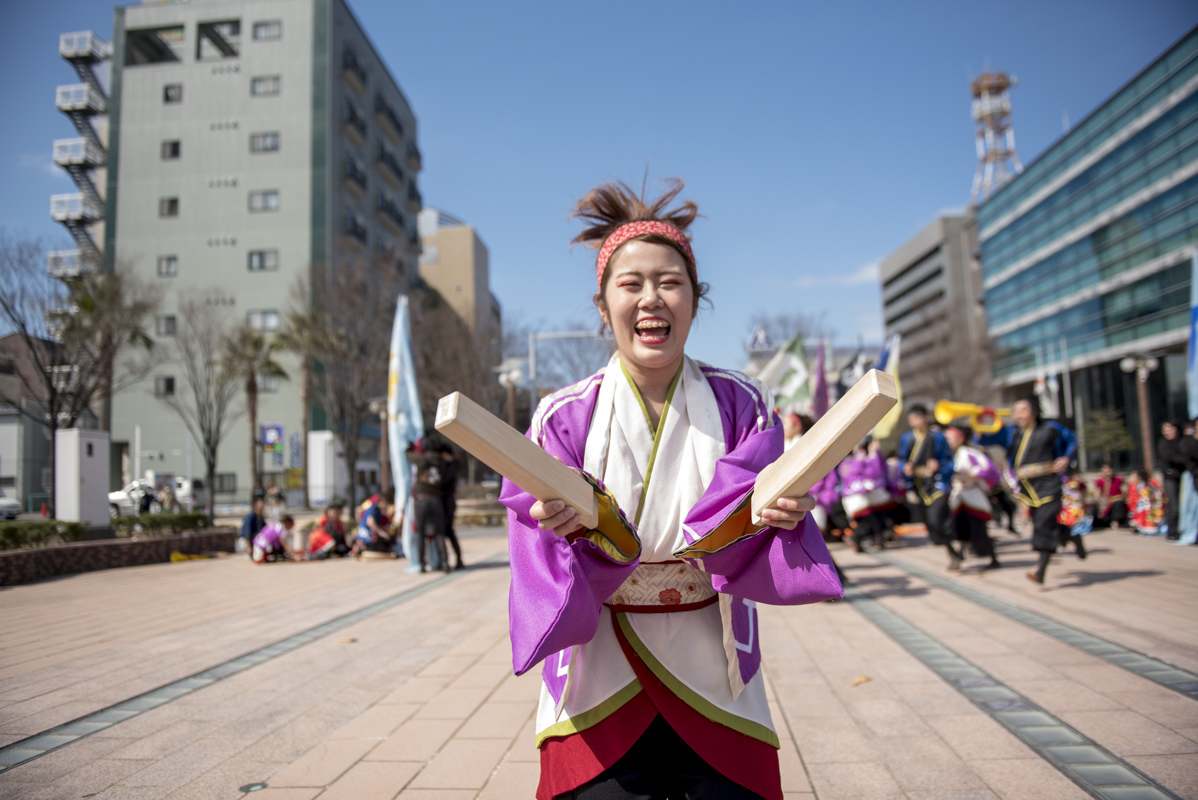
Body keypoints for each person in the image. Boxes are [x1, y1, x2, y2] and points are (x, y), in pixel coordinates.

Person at [500, 179, 841, 800]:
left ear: (694, 299)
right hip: (601, 659)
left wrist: (779, 517)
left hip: (713, 659)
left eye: (670, 282)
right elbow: (537, 549)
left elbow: (748, 524)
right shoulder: (561, 415)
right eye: (630, 284)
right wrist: (557, 525)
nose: (651, 297)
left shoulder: (743, 401)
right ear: (603, 307)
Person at [983, 397, 1077, 585]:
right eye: (1015, 411)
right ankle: (1072, 536)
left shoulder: (1050, 428)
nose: (1018, 414)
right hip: (1027, 487)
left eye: (1023, 410)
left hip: (1049, 482)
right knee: (1044, 523)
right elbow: (986, 438)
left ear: (1034, 412)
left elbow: (1072, 440)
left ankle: (1040, 572)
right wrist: (980, 420)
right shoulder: (1011, 432)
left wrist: (1066, 458)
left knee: (1042, 525)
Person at [899, 404, 955, 566]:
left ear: (926, 418)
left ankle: (952, 549)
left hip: (937, 482)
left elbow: (949, 460)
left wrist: (939, 466)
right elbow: (902, 459)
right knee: (930, 523)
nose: (914, 422)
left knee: (936, 518)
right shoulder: (906, 438)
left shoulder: (937, 437)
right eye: (912, 419)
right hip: (918, 485)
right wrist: (905, 468)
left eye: (917, 417)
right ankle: (951, 549)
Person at [944, 424, 1002, 570]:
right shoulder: (949, 455)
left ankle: (993, 558)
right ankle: (959, 555)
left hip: (972, 493)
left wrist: (971, 474)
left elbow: (987, 468)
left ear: (960, 438)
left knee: (979, 528)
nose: (948, 441)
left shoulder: (969, 452)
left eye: (950, 438)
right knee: (959, 527)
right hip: (957, 495)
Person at [838, 438, 892, 553]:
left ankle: (873, 540)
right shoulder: (853, 461)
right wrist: (871, 456)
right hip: (858, 498)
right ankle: (855, 538)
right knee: (867, 523)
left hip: (866, 496)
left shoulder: (852, 461)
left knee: (875, 520)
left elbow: (877, 472)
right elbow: (872, 473)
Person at [407, 443, 449, 572]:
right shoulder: (442, 462)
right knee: (439, 533)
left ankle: (422, 564)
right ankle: (444, 563)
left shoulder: (422, 458)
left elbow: (409, 456)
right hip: (436, 499)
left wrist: (408, 448)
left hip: (422, 499)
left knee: (421, 534)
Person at [438, 442, 465, 570]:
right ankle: (456, 559)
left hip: (447, 502)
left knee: (446, 532)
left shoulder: (450, 466)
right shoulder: (453, 464)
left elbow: (444, 480)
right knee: (449, 532)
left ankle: (452, 560)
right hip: (448, 502)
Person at [1158, 421, 1186, 540]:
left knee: (1184, 505)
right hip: (1170, 478)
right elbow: (1170, 457)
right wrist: (1186, 459)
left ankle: (1184, 529)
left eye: (1171, 428)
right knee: (1174, 506)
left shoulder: (1183, 442)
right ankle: (1172, 532)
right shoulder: (1163, 444)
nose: (1168, 431)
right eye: (1166, 429)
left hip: (1184, 477)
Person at [357, 489, 397, 555]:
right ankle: (364, 547)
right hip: (367, 537)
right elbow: (370, 522)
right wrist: (381, 533)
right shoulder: (374, 508)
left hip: (369, 535)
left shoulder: (377, 510)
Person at [1128, 468, 1164, 534]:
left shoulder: (1150, 484)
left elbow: (1156, 496)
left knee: (1146, 509)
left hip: (1149, 506)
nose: (1132, 478)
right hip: (1139, 507)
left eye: (1134, 476)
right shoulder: (1134, 486)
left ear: (1140, 477)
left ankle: (1148, 526)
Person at [1091, 464, 1128, 529]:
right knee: (1093, 505)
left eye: (1109, 470)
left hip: (1115, 502)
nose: (1107, 472)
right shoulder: (1100, 481)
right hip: (1105, 503)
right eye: (1105, 471)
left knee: (1118, 503)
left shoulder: (1118, 479)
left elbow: (1124, 492)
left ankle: (1116, 521)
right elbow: (1097, 494)